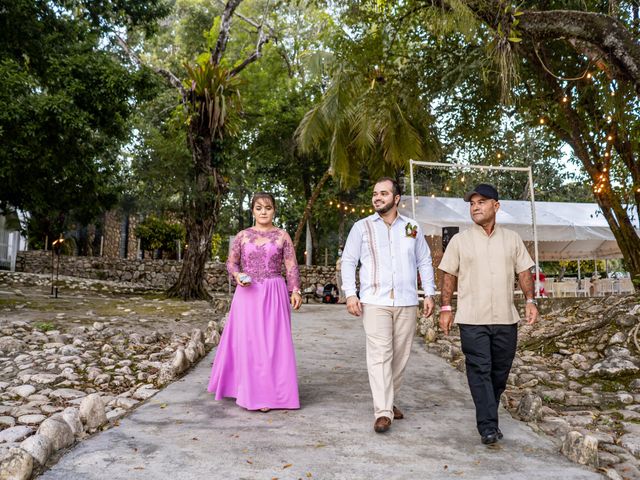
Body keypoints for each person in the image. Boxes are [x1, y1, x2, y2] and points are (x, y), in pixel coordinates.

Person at [438, 183, 538, 445]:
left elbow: (524, 271)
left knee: (499, 373)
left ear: (496, 205)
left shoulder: (512, 239)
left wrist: (530, 300)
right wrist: (446, 308)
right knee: (480, 369)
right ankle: (488, 427)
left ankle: (489, 416)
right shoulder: (460, 241)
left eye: (481, 202)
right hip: (472, 319)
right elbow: (448, 274)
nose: (475, 207)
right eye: (472, 203)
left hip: (506, 318)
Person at [341, 177, 436, 433]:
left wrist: (429, 293)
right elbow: (349, 261)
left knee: (400, 356)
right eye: (374, 193)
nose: (377, 197)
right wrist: (351, 294)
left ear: (396, 199)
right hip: (374, 301)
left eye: (383, 193)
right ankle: (383, 411)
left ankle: (389, 400)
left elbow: (424, 261)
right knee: (380, 355)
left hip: (406, 300)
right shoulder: (361, 227)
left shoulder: (411, 228)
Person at [208, 192, 303, 411]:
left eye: (268, 208)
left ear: (274, 210)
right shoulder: (242, 236)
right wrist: (237, 275)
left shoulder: (282, 236)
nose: (263, 212)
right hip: (247, 294)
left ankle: (269, 394)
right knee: (249, 343)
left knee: (271, 344)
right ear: (252, 210)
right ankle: (249, 390)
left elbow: (291, 266)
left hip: (274, 292)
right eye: (259, 208)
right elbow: (231, 263)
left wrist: (295, 290)